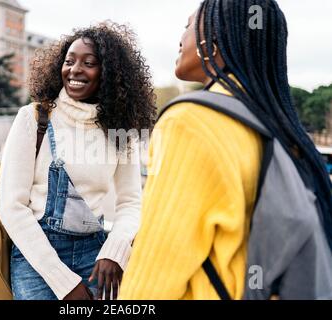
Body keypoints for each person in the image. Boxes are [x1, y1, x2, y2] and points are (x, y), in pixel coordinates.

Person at [119, 0, 332, 299]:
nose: (180, 37)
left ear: (213, 39)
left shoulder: (191, 122)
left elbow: (155, 273)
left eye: (188, 24)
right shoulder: (278, 124)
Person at [0, 22, 155, 300]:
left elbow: (131, 202)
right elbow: (11, 207)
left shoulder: (121, 130)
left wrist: (115, 252)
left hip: (95, 260)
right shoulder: (33, 118)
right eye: (69, 61)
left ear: (110, 74)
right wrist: (63, 281)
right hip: (37, 259)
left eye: (89, 62)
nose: (75, 70)